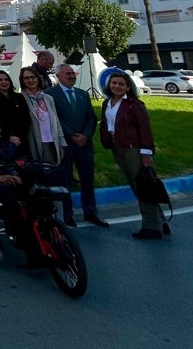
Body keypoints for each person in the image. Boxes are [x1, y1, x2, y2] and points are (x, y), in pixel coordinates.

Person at [99, 69, 165, 240]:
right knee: (137, 185)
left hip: (133, 148)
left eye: (121, 84)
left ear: (128, 87)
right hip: (117, 147)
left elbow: (145, 129)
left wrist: (146, 152)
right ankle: (160, 221)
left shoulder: (134, 105)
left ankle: (152, 227)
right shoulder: (107, 103)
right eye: (114, 83)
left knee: (143, 186)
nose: (117, 86)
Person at [47, 64, 109, 228]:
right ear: (58, 76)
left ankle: (91, 212)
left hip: (84, 145)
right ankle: (68, 214)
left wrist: (86, 135)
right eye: (67, 73)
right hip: (65, 144)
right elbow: (55, 119)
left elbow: (91, 117)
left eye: (73, 73)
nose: (71, 76)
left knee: (88, 179)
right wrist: (72, 135)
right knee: (65, 180)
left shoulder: (82, 94)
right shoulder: (50, 94)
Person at [19, 66, 65, 166]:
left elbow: (56, 122)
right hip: (34, 143)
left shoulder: (48, 98)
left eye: (33, 77)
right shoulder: (20, 99)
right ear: (22, 81)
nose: (30, 80)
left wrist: (61, 143)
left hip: (52, 142)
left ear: (38, 78)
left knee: (53, 173)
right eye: (26, 78)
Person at [0, 70, 29, 155]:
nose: (4, 82)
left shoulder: (19, 97)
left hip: (21, 140)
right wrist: (8, 137)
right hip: (1, 141)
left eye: (6, 79)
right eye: (0, 80)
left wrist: (19, 136)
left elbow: (26, 119)